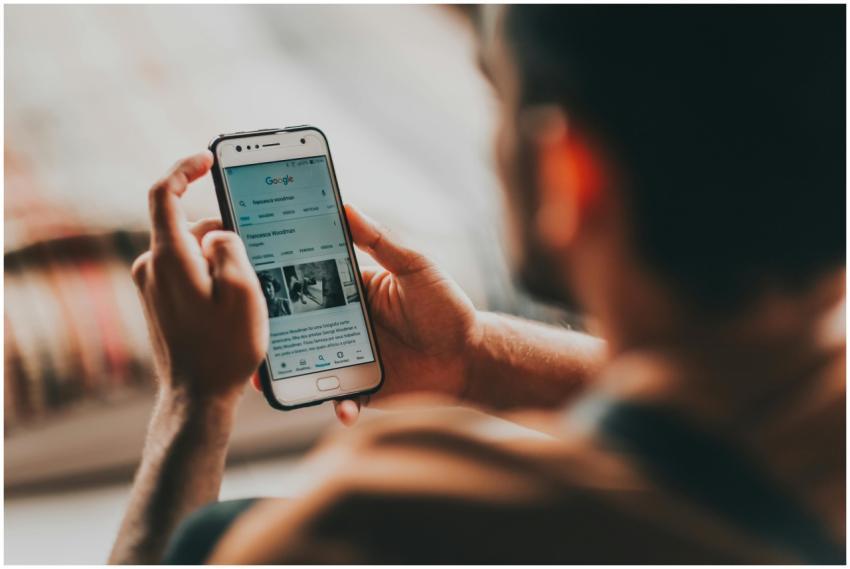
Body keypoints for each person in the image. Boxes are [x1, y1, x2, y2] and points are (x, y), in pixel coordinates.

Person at [109, 5, 844, 564]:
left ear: (569, 173)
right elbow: (724, 397)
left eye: (497, 101)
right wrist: (471, 359)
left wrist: (194, 398)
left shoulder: (382, 516)